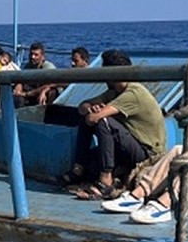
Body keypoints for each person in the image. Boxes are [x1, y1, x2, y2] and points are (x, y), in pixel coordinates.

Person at [61, 49, 166, 200]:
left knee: (102, 121)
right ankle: (78, 170)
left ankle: (106, 179)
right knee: (87, 126)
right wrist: (90, 108)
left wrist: (95, 112)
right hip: (129, 146)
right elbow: (82, 107)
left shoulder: (133, 93)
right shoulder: (114, 92)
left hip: (146, 153)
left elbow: (95, 119)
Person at [13, 41, 56, 107]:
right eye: (31, 54)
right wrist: (18, 88)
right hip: (32, 93)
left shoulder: (48, 68)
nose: (32, 57)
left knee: (52, 92)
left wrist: (29, 94)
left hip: (42, 94)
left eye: (36, 55)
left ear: (43, 56)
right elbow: (21, 79)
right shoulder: (28, 67)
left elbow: (52, 84)